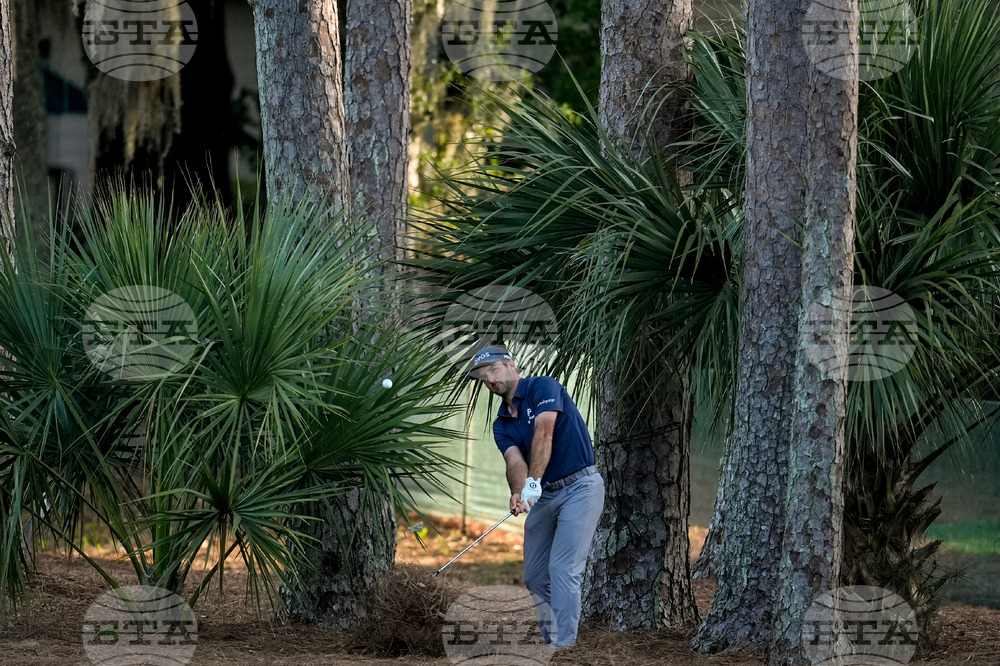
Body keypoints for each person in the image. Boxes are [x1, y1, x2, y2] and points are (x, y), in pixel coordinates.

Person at [467, 344, 605, 650]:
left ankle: (563, 645)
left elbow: (544, 433)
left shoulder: (543, 386)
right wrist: (518, 492)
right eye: (482, 376)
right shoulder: (501, 423)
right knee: (533, 574)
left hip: (580, 488)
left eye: (494, 369)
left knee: (563, 569)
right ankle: (548, 637)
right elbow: (514, 461)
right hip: (545, 494)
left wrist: (532, 483)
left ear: (511, 365)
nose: (490, 379)